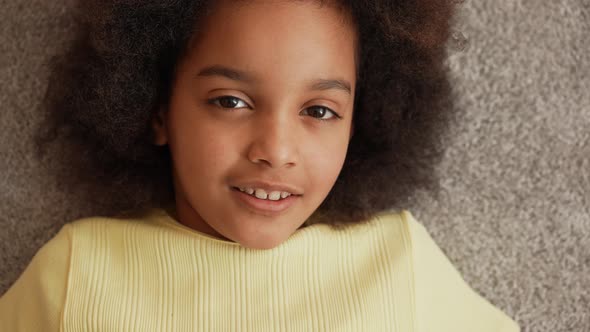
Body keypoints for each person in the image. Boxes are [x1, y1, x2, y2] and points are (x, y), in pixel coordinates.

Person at [0, 0, 520, 330]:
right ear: (157, 109)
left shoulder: (400, 262)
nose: (275, 149)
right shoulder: (76, 272)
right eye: (230, 101)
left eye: (319, 111)